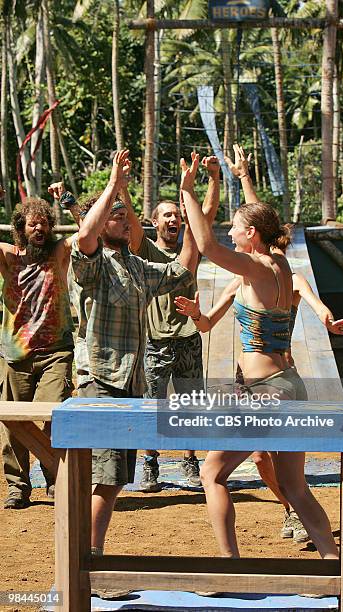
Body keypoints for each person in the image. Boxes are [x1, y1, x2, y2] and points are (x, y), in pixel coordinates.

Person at [178, 152, 339, 560]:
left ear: (250, 235)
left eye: (236, 227)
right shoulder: (282, 264)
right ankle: (334, 563)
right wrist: (243, 178)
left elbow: (207, 244)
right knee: (296, 488)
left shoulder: (256, 268)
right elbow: (262, 223)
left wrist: (188, 192)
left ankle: (231, 564)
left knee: (212, 473)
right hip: (290, 384)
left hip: (265, 391)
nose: (231, 232)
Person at [69, 149, 195, 556]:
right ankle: (88, 565)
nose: (126, 219)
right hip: (101, 382)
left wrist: (189, 198)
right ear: (100, 220)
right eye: (117, 215)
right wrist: (112, 186)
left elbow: (183, 270)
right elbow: (86, 238)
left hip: (129, 387)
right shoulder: (94, 263)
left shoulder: (135, 264)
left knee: (115, 477)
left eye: (127, 215)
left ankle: (87, 560)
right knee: (104, 478)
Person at [127, 155, 220, 492]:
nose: (174, 220)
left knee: (190, 404)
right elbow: (132, 228)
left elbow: (205, 216)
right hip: (154, 341)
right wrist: (122, 187)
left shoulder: (190, 250)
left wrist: (212, 179)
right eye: (167, 215)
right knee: (152, 405)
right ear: (154, 222)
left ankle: (189, 459)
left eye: (178, 216)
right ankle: (149, 463)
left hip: (188, 338)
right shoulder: (145, 251)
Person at [0, 184, 78, 509]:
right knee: (13, 421)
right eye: (32, 223)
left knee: (53, 414)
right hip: (15, 356)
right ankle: (18, 486)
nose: (39, 228)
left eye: (44, 223)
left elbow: (88, 231)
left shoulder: (59, 254)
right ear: (21, 227)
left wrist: (70, 203)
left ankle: (54, 478)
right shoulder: (8, 258)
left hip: (55, 354)